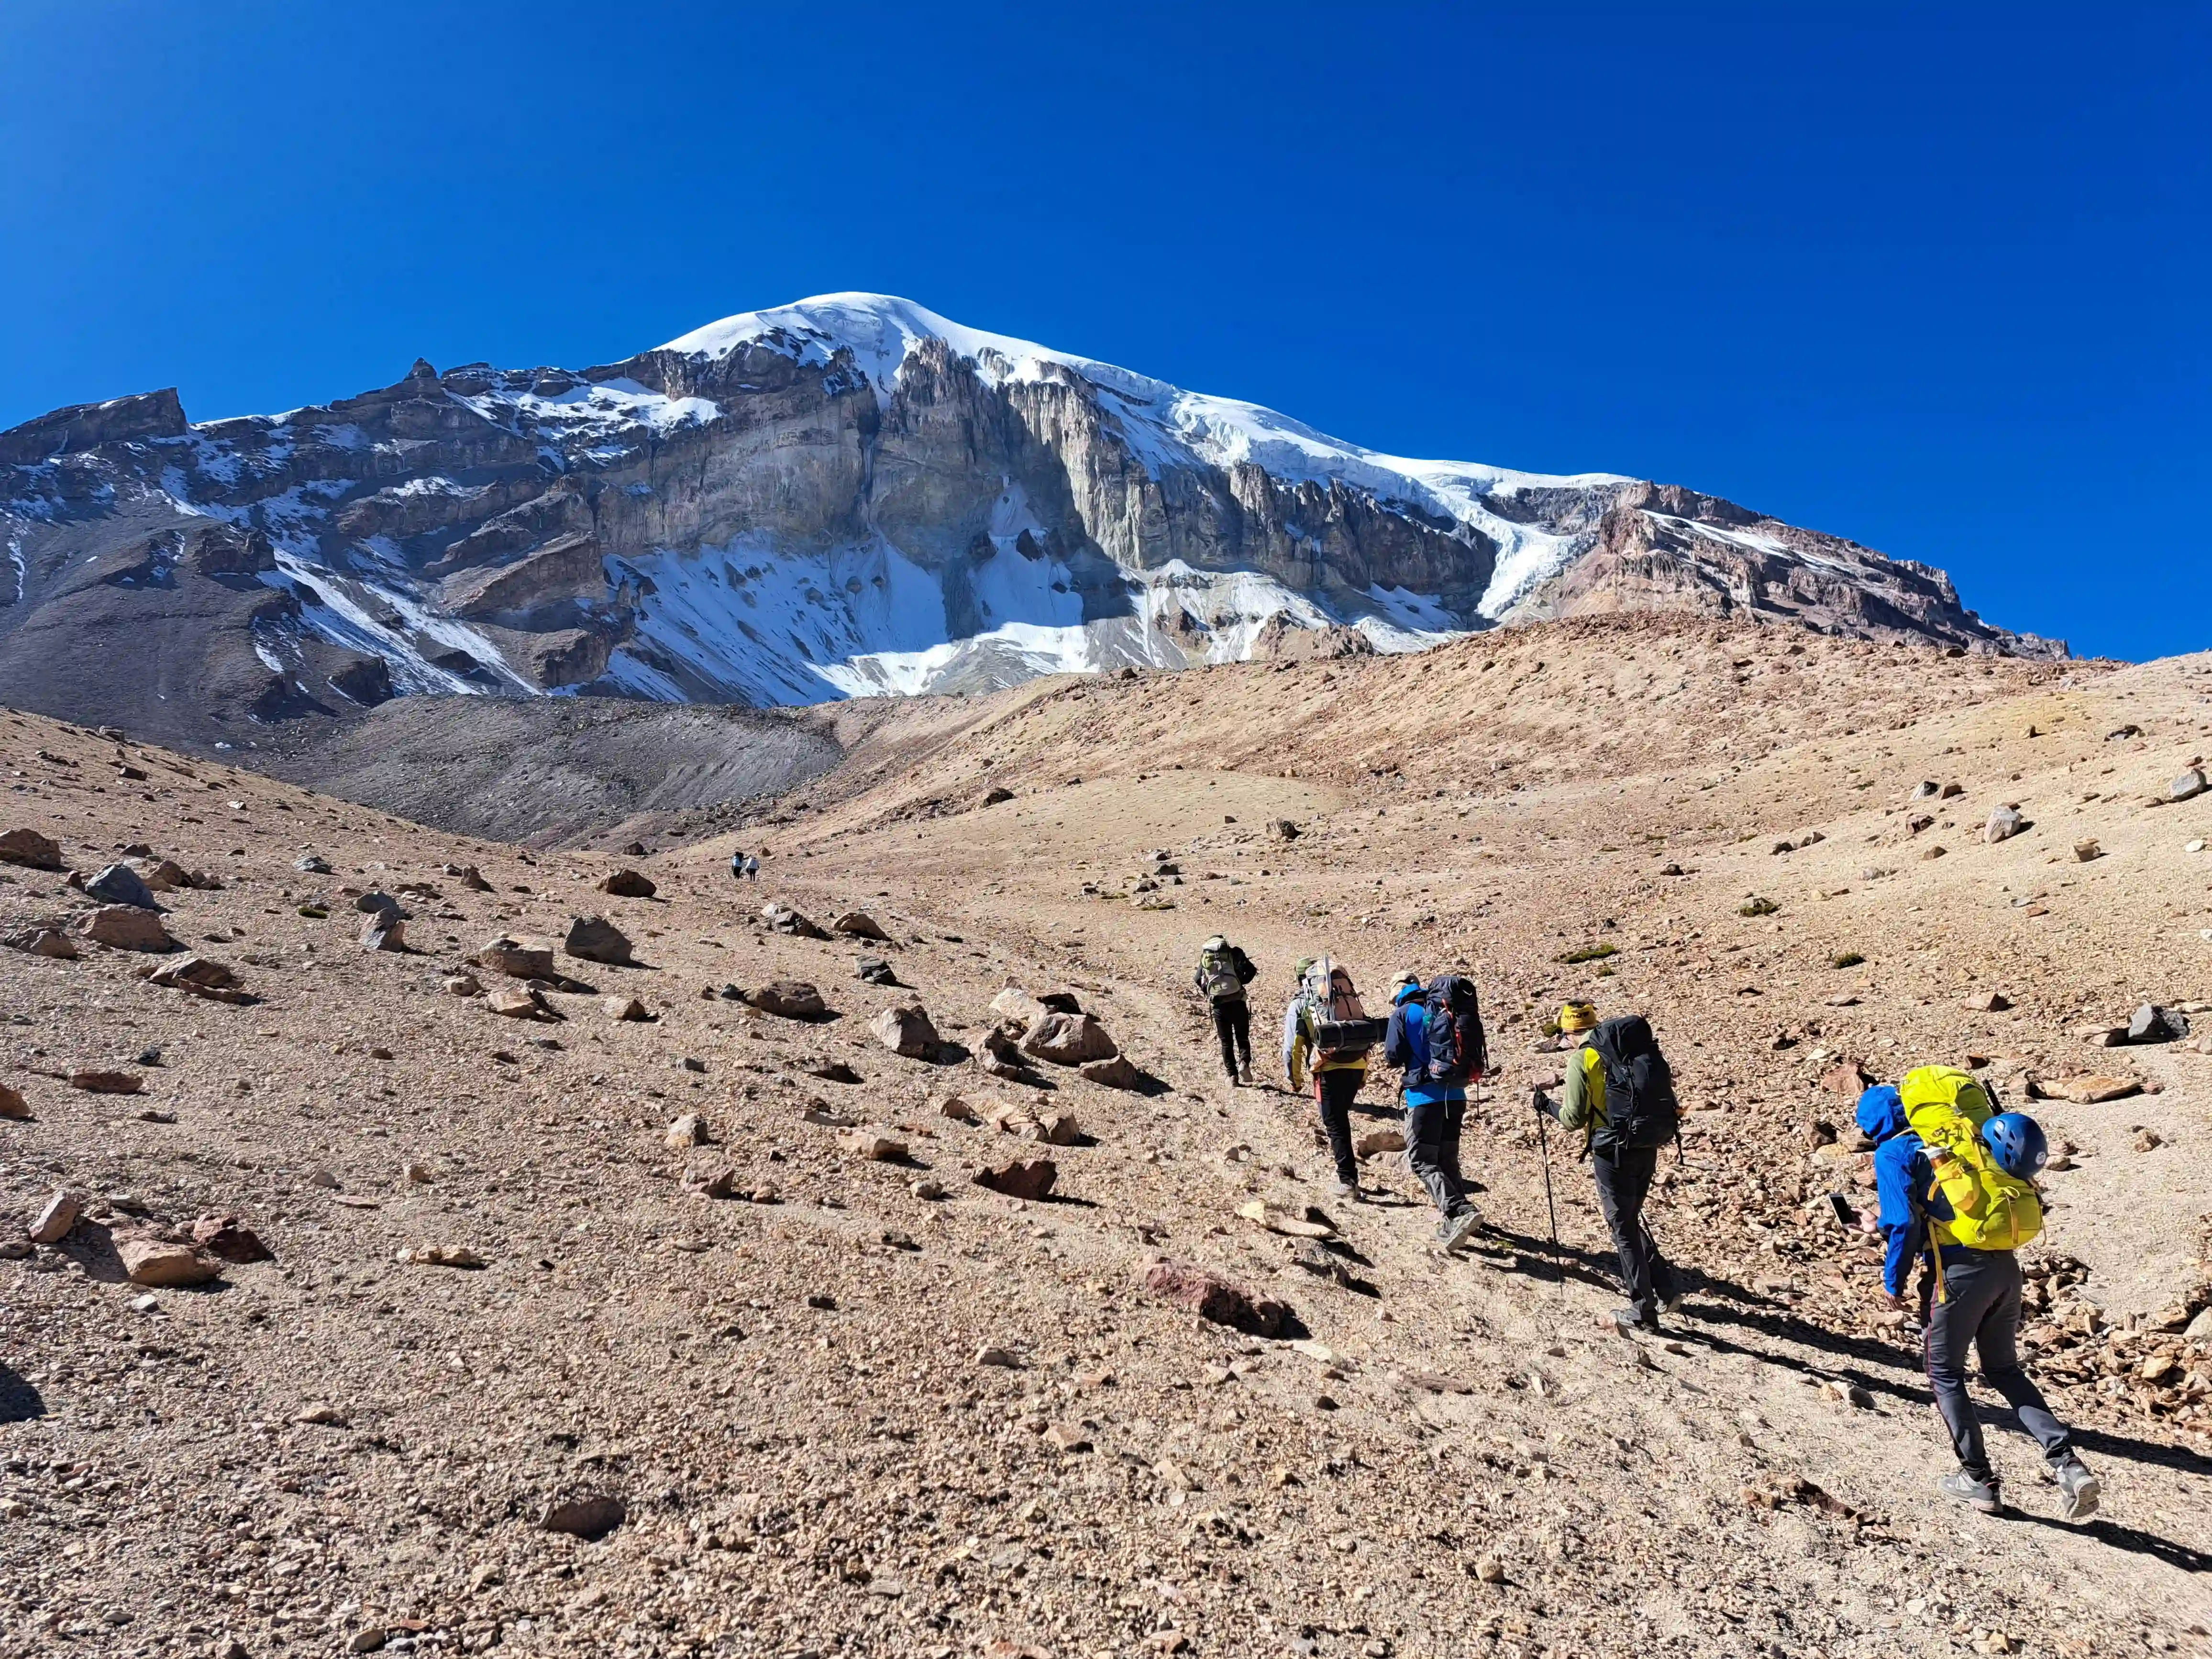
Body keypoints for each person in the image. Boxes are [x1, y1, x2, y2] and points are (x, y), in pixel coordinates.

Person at [1907, 1081, 2099, 1519]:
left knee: (1945, 1373)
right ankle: (2067, 1464)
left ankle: (1977, 1477)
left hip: (1961, 1276)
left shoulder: (1963, 1169)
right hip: (2007, 1273)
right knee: (2004, 1370)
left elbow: (1921, 1218)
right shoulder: (2013, 1177)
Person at [1544, 1001, 1682, 1335]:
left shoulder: (1583, 1058)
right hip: (1647, 1141)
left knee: (1621, 1226)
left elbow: (1573, 1119)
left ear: (1568, 1032)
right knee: (1629, 1219)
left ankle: (1642, 1309)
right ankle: (1665, 1290)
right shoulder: (1627, 1050)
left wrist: (1547, 1105)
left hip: (1611, 1149)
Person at [1381, 971, 1481, 1250]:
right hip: (1456, 1094)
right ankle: (1460, 1217)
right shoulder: (1444, 1009)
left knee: (1422, 1161)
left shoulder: (1402, 1013)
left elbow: (1393, 1056)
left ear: (1397, 994)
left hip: (1424, 1098)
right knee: (1447, 1159)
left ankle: (1459, 1212)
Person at [1284, 957, 1374, 1201]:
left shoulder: (1304, 1004)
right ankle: (1349, 1176)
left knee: (1335, 1124)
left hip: (1328, 1069)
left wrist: (1295, 1079)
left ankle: (1347, 1181)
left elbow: (1293, 1047)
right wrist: (1364, 1073)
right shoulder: (1343, 996)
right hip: (1357, 1065)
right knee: (1340, 1120)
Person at [1855, 1084, 1935, 1332]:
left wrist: (1894, 1281)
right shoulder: (1935, 1141)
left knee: (1941, 1355)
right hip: (1996, 1257)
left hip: (1950, 1264)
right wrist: (1878, 1224)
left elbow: (1904, 1222)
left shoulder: (1891, 1153)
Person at [1193, 934, 1257, 1085]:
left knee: (1226, 1042)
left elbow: (1197, 979)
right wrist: (1238, 983)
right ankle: (1244, 1062)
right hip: (1238, 1001)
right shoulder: (1234, 953)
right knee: (1242, 1037)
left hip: (1219, 1006)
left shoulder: (1207, 958)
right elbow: (1251, 971)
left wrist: (1211, 992)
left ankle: (1232, 1075)